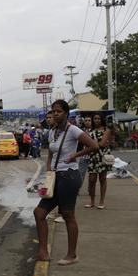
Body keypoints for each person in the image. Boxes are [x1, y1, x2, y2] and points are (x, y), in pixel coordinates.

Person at [32, 100, 98, 263]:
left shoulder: (73, 130)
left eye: (59, 111)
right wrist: (48, 172)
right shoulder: (52, 132)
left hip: (69, 176)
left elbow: (93, 146)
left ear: (66, 114)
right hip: (55, 177)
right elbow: (50, 154)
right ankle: (43, 252)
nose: (55, 114)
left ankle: (72, 255)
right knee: (39, 213)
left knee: (68, 215)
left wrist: (74, 156)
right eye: (53, 111)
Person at [86, 114, 113, 209]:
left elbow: (102, 144)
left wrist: (91, 144)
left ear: (102, 120)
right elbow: (86, 144)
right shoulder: (89, 131)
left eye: (98, 119)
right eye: (95, 118)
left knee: (102, 179)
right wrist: (93, 145)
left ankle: (101, 201)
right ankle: (92, 201)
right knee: (91, 180)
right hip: (93, 157)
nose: (96, 120)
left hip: (102, 156)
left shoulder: (107, 130)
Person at [77, 116, 92, 185]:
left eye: (89, 120)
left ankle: (91, 188)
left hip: (93, 156)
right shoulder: (80, 131)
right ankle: (78, 188)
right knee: (80, 173)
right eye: (86, 120)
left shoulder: (94, 131)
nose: (87, 122)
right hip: (83, 156)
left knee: (92, 175)